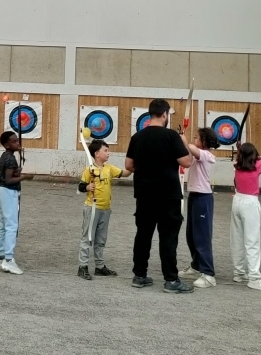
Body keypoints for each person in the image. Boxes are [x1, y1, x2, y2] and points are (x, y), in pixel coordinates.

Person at [124, 98, 195, 294]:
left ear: (150, 114)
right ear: (164, 115)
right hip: (168, 196)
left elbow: (129, 166)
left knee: (143, 235)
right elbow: (187, 162)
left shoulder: (138, 136)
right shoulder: (171, 136)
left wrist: (147, 167)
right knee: (168, 238)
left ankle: (139, 276)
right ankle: (171, 280)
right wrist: (184, 144)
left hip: (144, 195)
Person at [76, 139, 129, 279]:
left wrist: (136, 163)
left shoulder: (109, 168)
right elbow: (80, 186)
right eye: (105, 150)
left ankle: (99, 266)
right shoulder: (89, 170)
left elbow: (126, 173)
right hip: (92, 208)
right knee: (87, 237)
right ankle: (83, 267)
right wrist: (87, 187)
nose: (108, 153)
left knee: (101, 239)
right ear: (97, 154)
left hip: (105, 209)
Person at [230, 142, 261, 291]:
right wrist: (258, 156)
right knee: (252, 241)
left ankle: (239, 273)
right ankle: (254, 278)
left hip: (237, 201)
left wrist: (245, 154)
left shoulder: (236, 165)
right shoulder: (257, 165)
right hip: (250, 203)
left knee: (237, 238)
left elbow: (240, 158)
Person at [181, 126, 219, 286]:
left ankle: (208, 274)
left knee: (202, 236)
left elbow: (191, 148)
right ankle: (196, 266)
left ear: (204, 142)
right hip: (195, 196)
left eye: (197, 137)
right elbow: (188, 157)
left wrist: (184, 140)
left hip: (204, 198)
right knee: (191, 234)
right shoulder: (197, 154)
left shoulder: (206, 155)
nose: (194, 140)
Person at [0, 130, 25, 274]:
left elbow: (8, 174)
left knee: (3, 224)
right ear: (7, 145)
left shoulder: (7, 156)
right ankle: (8, 260)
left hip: (2, 190)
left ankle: (0, 256)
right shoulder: (10, 158)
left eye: (17, 140)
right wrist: (24, 177)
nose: (17, 143)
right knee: (11, 225)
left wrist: (17, 172)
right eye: (14, 142)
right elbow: (8, 179)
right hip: (8, 191)